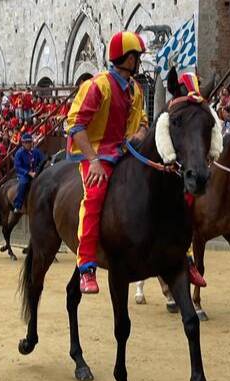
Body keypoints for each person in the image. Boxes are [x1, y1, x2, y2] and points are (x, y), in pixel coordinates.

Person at [65, 31, 150, 294]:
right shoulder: (98, 85)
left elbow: (143, 124)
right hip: (96, 154)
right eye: (136, 56)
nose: (139, 61)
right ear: (126, 58)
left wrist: (138, 135)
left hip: (125, 152)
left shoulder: (135, 89)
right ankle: (87, 266)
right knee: (95, 194)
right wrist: (94, 160)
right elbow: (76, 126)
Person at [12, 133, 45, 213]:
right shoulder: (19, 153)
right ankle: (18, 205)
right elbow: (17, 167)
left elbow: (43, 160)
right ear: (22, 143)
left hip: (35, 172)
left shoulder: (36, 152)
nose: (28, 144)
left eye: (29, 142)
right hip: (23, 174)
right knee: (24, 183)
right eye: (26, 143)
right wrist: (29, 173)